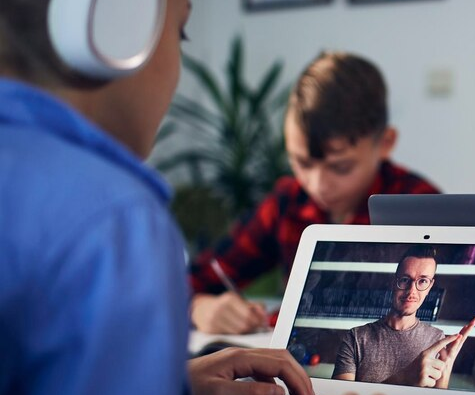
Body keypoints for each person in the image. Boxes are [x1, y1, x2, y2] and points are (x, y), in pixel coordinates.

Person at [0, 0, 421, 395]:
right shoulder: (110, 223)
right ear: (116, 25)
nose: (318, 183)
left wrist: (159, 393)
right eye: (181, 30)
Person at [189, 51, 441, 335]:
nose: (318, 184)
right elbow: (190, 280)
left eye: (341, 167)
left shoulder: (420, 205)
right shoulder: (287, 203)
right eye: (302, 162)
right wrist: (199, 307)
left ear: (385, 143)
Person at [333, 245, 475, 388]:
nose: (411, 291)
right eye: (405, 280)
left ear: (430, 287)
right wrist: (404, 378)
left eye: (423, 281)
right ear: (393, 282)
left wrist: (446, 369)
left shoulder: (437, 340)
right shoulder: (355, 337)